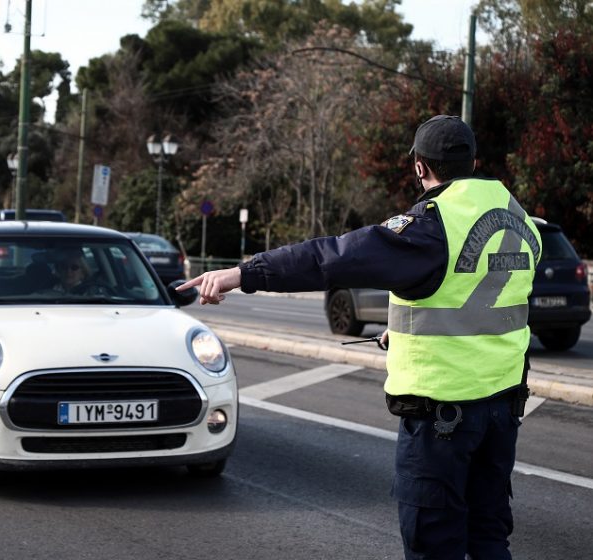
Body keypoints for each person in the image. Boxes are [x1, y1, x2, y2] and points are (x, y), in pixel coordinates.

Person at [178, 115, 541, 559]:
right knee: (488, 538)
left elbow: (329, 258)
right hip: (502, 410)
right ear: (474, 162)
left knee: (435, 544)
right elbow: (490, 298)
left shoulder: (430, 227)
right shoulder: (517, 215)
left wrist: (243, 273)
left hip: (443, 420)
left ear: (419, 167)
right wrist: (407, 328)